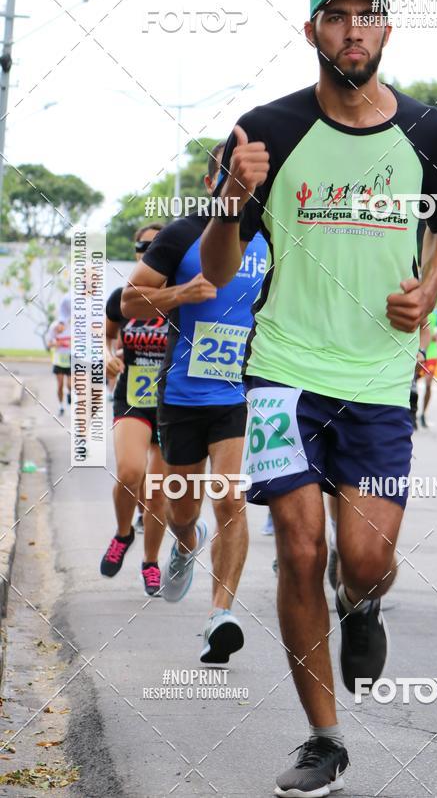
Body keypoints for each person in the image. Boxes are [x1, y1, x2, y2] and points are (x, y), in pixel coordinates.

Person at [200, 0, 437, 797]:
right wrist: (227, 199)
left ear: (387, 28)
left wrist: (429, 288)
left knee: (367, 558)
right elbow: (216, 265)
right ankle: (324, 737)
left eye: (368, 15)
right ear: (311, 29)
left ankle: (367, 604)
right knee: (301, 547)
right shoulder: (264, 131)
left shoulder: (429, 131)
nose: (353, 28)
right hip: (282, 371)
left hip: (380, 379)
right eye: (337, 16)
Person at [121, 141, 267, 664]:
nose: (242, 190)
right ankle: (187, 542)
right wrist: (180, 295)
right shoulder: (183, 233)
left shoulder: (273, 237)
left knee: (229, 498)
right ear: (213, 185)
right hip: (181, 394)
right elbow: (129, 300)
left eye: (249, 182)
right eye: (230, 180)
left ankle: (219, 616)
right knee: (183, 509)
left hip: (236, 390)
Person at [100, 225, 168, 596]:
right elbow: (106, 336)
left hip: (173, 403)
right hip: (134, 399)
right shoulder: (121, 297)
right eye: (143, 246)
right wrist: (109, 356)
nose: (149, 251)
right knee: (130, 472)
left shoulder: (181, 297)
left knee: (157, 491)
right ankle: (123, 533)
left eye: (157, 245)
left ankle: (151, 561)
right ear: (136, 251)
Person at [46, 318, 71, 416]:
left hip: (70, 359)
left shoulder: (71, 326)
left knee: (70, 384)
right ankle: (61, 406)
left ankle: (69, 394)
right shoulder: (54, 327)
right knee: (60, 385)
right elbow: (49, 344)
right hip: (58, 361)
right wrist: (56, 343)